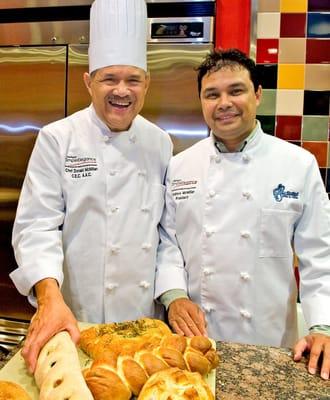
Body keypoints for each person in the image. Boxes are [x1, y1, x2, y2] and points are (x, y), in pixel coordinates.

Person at [10, 0, 172, 373]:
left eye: (133, 79)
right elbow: (36, 227)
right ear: (88, 81)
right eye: (109, 79)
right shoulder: (58, 139)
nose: (122, 91)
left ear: (147, 83)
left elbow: (166, 234)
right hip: (71, 322)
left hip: (142, 328)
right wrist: (49, 297)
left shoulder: (160, 143)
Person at [155, 49, 330, 380]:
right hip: (195, 341)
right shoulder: (180, 166)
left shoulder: (298, 164)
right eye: (212, 94)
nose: (224, 103)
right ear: (201, 102)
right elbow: (167, 242)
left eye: (236, 90)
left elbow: (320, 256)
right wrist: (174, 296)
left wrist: (323, 326)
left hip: (271, 343)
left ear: (258, 94)